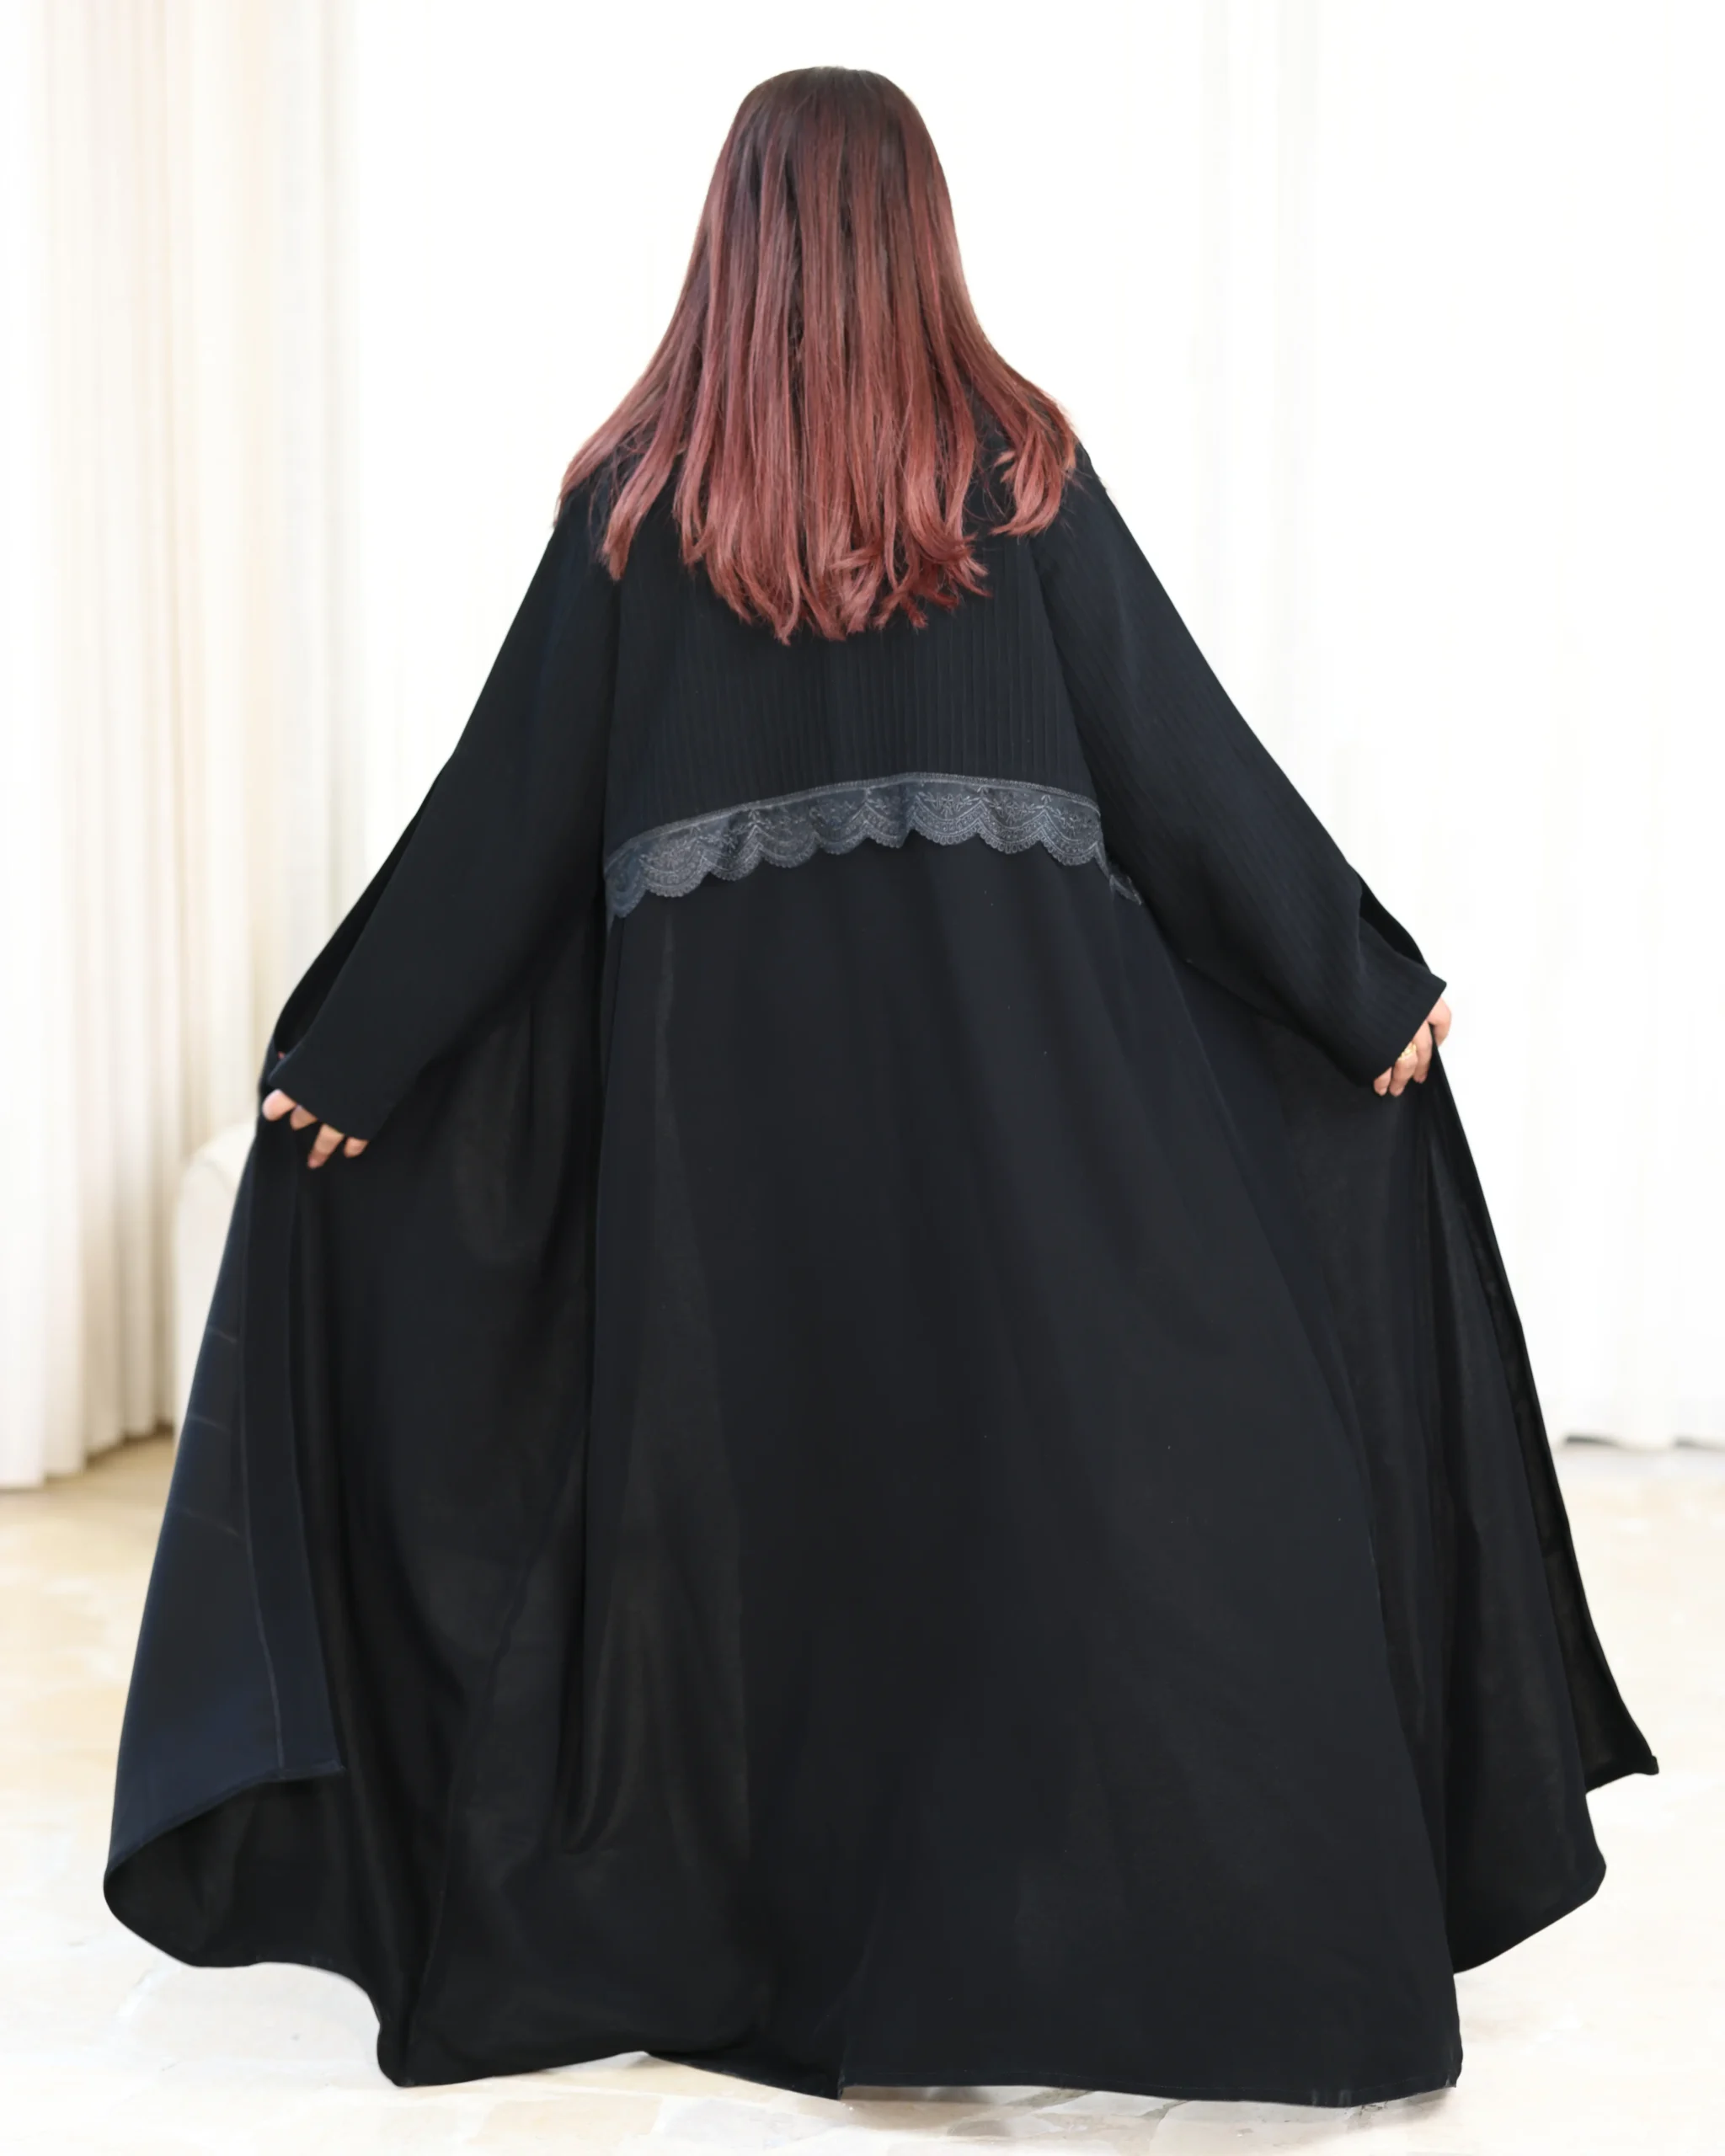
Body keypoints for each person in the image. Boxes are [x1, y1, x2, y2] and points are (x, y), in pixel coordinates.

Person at [105, 67, 1653, 2108]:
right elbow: (1185, 775)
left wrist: (352, 1061)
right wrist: (1357, 984)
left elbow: (499, 828)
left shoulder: (638, 511)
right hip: (1030, 1148)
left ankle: (803, 1931)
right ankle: (1060, 1947)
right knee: (1070, 1522)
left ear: (731, 241)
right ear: (918, 235)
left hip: (732, 1187)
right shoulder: (1016, 478)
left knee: (779, 1560)